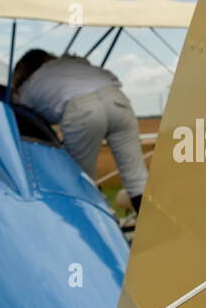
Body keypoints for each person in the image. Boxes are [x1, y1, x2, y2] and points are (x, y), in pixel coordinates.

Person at [12, 49, 148, 212]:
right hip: (117, 99)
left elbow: (27, 118)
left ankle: (105, 226)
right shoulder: (75, 63)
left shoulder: (28, 87)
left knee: (81, 182)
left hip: (82, 110)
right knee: (138, 181)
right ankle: (157, 228)